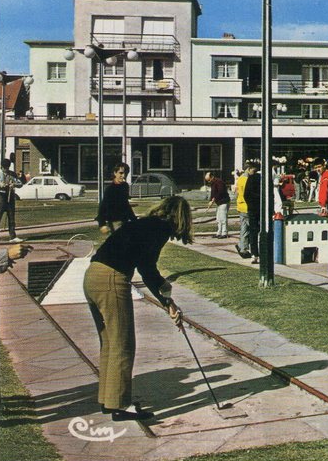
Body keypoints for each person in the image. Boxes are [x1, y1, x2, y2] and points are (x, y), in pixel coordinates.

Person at [82, 196, 190, 421]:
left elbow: (144, 264)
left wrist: (166, 300)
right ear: (180, 217)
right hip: (111, 278)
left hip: (92, 275)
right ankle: (120, 405)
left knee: (110, 343)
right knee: (123, 344)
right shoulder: (160, 229)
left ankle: (108, 400)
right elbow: (147, 268)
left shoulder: (145, 223)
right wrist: (166, 300)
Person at [96, 162, 136, 234]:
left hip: (125, 220)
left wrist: (134, 219)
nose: (123, 176)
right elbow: (102, 207)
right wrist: (102, 224)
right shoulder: (110, 189)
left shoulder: (125, 186)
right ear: (115, 173)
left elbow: (126, 204)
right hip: (115, 222)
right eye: (121, 173)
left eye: (126, 173)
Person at [0, 158, 23, 242]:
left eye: (7, 167)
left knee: (11, 217)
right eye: (4, 168)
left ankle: (12, 237)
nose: (6, 169)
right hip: (1, 196)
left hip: (10, 196)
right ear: (1, 167)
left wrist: (14, 184)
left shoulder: (12, 174)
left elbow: (20, 184)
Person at [243, 161, 262, 264]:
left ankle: (254, 254)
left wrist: (250, 205)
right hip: (262, 208)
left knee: (253, 232)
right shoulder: (263, 178)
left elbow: (246, 195)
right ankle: (263, 253)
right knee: (263, 230)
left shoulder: (250, 179)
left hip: (252, 208)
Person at [205, 171, 230, 238]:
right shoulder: (213, 183)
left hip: (224, 202)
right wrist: (211, 200)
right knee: (218, 218)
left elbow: (221, 192)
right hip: (219, 203)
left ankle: (224, 233)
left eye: (209, 180)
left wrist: (214, 199)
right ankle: (219, 232)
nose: (209, 182)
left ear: (212, 177)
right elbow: (213, 193)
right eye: (207, 181)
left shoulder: (219, 182)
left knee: (223, 218)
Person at [234, 165, 252, 258]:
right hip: (247, 206)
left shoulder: (240, 179)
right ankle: (247, 248)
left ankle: (242, 247)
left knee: (244, 228)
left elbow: (236, 193)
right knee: (251, 228)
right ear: (248, 169)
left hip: (240, 205)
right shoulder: (247, 180)